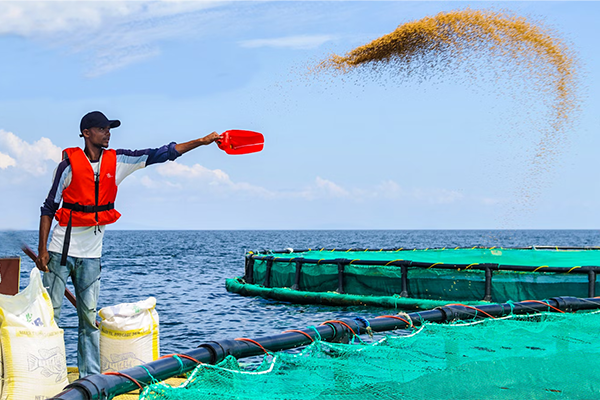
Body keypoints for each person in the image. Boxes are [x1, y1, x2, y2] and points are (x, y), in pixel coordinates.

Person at [35, 111, 220, 377]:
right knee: (50, 315)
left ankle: (90, 380)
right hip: (59, 251)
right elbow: (49, 207)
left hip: (92, 256)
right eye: (102, 129)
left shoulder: (119, 160)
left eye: (109, 129)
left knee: (89, 320)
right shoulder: (68, 166)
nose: (107, 133)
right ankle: (46, 374)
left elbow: (163, 153)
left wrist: (201, 141)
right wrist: (42, 250)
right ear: (87, 133)